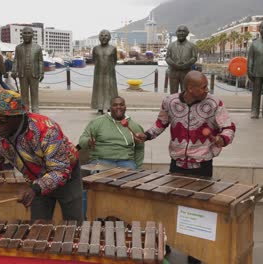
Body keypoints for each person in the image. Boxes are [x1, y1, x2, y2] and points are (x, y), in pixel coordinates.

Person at [134, 71, 235, 264]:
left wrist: (222, 139)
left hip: (202, 165)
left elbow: (229, 127)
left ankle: (195, 254)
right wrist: (146, 135)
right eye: (203, 86)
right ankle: (167, 243)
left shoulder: (214, 103)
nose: (207, 89)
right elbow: (160, 124)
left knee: (199, 210)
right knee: (172, 206)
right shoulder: (170, 102)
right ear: (190, 88)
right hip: (178, 164)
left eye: (207, 86)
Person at [0, 89, 83, 223]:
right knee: (38, 227)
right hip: (35, 180)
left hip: (66, 176)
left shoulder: (46, 129)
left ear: (18, 117)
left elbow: (60, 170)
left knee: (74, 226)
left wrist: (35, 188)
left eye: (1, 121)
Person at [79, 96, 144, 169]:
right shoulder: (97, 122)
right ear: (110, 108)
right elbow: (82, 140)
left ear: (125, 107)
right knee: (101, 178)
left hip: (126, 161)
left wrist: (138, 167)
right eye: (115, 105)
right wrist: (88, 141)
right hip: (101, 160)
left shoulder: (134, 126)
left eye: (121, 105)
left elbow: (140, 148)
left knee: (131, 177)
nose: (118, 107)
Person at [12, 27, 44, 113]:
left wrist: (41, 72)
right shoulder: (18, 48)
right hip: (22, 73)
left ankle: (35, 110)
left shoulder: (37, 47)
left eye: (29, 33)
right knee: (24, 94)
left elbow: (40, 61)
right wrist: (14, 70)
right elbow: (16, 60)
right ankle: (25, 110)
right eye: (24, 33)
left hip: (34, 73)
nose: (26, 35)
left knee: (34, 93)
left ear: (32, 35)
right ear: (22, 35)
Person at [91, 29, 118, 114]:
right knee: (98, 89)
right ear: (99, 37)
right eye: (102, 35)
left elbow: (115, 61)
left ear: (109, 37)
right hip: (98, 73)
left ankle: (110, 107)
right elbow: (94, 60)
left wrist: (109, 68)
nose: (104, 37)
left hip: (110, 73)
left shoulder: (113, 49)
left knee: (110, 89)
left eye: (106, 35)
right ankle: (99, 108)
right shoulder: (95, 49)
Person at [165, 25, 198, 94]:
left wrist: (185, 65)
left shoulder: (192, 46)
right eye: (179, 31)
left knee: (186, 92)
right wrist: (175, 65)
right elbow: (167, 57)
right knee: (173, 93)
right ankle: (173, 104)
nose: (181, 33)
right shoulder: (171, 45)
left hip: (186, 73)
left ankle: (185, 104)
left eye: (183, 31)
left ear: (187, 33)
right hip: (173, 72)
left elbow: (194, 57)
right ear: (176, 33)